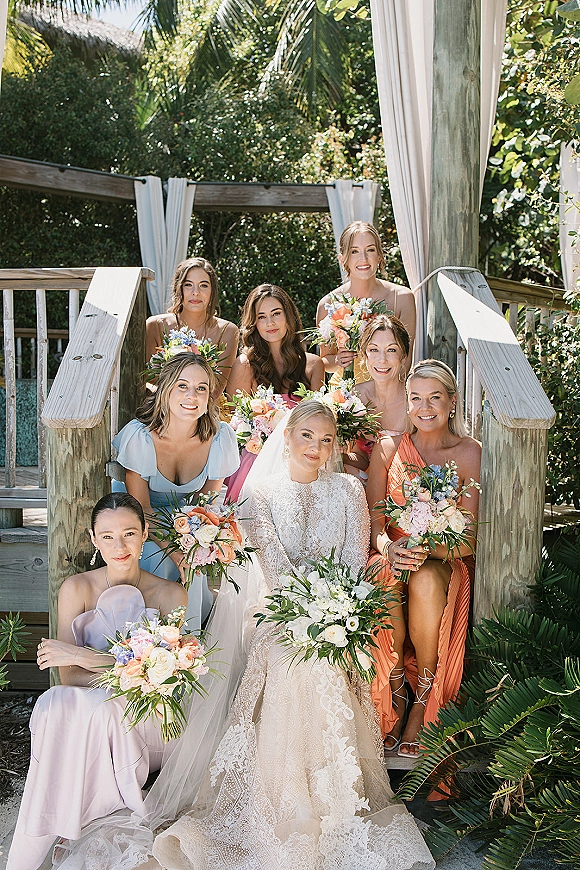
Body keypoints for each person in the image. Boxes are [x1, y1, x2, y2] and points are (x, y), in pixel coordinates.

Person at [151, 400, 435, 870]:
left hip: (337, 611)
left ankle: (331, 798)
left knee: (325, 656)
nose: (316, 448)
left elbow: (352, 555)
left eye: (326, 440)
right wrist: (309, 611)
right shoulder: (257, 498)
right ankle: (288, 799)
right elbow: (275, 571)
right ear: (286, 437)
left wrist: (333, 610)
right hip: (279, 615)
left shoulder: (347, 490)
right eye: (307, 436)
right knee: (291, 657)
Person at [6, 493, 188, 870]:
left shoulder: (171, 594)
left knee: (101, 709)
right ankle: (38, 841)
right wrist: (125, 666)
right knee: (55, 701)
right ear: (93, 538)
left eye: (129, 534)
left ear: (145, 533)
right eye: (107, 536)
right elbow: (68, 679)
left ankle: (61, 833)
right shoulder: (76, 589)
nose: (119, 546)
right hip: (88, 709)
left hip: (147, 719)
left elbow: (160, 680)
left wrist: (82, 655)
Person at [365, 360, 481, 758]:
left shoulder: (468, 452)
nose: (424, 406)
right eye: (416, 398)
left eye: (435, 397)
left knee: (426, 579)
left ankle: (424, 700)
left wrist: (428, 548)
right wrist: (389, 548)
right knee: (382, 572)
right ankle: (396, 692)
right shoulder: (387, 448)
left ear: (451, 402)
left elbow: (469, 539)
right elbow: (376, 524)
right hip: (393, 555)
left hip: (444, 558)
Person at [112, 354, 240, 629]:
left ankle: (187, 642)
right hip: (142, 523)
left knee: (197, 559)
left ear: (209, 397)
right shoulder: (141, 437)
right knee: (155, 557)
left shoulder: (219, 439)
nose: (191, 395)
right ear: (166, 390)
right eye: (182, 386)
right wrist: (175, 552)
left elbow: (206, 509)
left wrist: (196, 545)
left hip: (188, 524)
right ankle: (145, 640)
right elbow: (141, 510)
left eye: (201, 388)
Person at [224, 283, 324, 502]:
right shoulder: (245, 365)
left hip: (301, 461)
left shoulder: (313, 365)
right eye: (261, 317)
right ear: (254, 324)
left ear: (288, 316)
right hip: (254, 460)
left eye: (276, 313)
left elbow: (320, 423)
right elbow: (234, 422)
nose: (270, 323)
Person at [316, 221, 416, 385]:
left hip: (388, 391)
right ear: (343, 259)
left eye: (370, 250)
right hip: (345, 395)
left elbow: (406, 360)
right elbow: (325, 361)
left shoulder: (403, 298)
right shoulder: (327, 303)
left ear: (379, 256)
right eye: (354, 251)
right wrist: (339, 360)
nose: (363, 258)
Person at [145, 257, 239, 398]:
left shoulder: (228, 331)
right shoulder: (154, 326)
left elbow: (216, 389)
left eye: (203, 285)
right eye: (188, 285)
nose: (195, 292)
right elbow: (147, 380)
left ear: (212, 291)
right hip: (161, 407)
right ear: (179, 288)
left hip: (206, 409)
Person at [342, 314, 411, 479]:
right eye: (374, 350)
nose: (382, 359)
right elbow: (361, 458)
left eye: (391, 350)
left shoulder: (414, 400)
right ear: (365, 356)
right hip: (366, 481)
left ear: (403, 357)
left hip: (405, 487)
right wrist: (335, 455)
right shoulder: (356, 396)